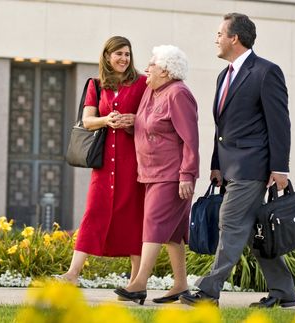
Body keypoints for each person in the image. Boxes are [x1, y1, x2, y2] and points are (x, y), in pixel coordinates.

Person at [180, 13, 295, 308]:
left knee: (229, 223)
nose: (216, 39)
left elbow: (279, 123)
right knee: (258, 233)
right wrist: (216, 164)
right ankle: (284, 293)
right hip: (231, 168)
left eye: (220, 34)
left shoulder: (266, 72)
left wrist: (280, 167)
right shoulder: (224, 75)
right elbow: (222, 127)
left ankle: (208, 292)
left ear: (235, 38)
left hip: (252, 166)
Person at [58, 36, 147, 286]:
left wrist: (132, 119)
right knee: (93, 213)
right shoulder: (96, 85)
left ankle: (136, 281)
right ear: (108, 56)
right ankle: (72, 274)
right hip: (104, 164)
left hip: (133, 163)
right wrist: (107, 120)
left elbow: (150, 117)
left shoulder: (142, 83)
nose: (123, 59)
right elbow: (87, 120)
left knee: (134, 217)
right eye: (118, 54)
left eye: (127, 54)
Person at [114, 44, 199, 305]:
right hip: (150, 172)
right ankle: (180, 285)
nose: (147, 67)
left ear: (166, 70)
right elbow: (148, 126)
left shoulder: (178, 94)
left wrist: (187, 174)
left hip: (171, 174)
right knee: (172, 234)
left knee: (152, 224)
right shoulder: (152, 91)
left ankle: (139, 284)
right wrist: (130, 122)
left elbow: (190, 139)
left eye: (153, 63)